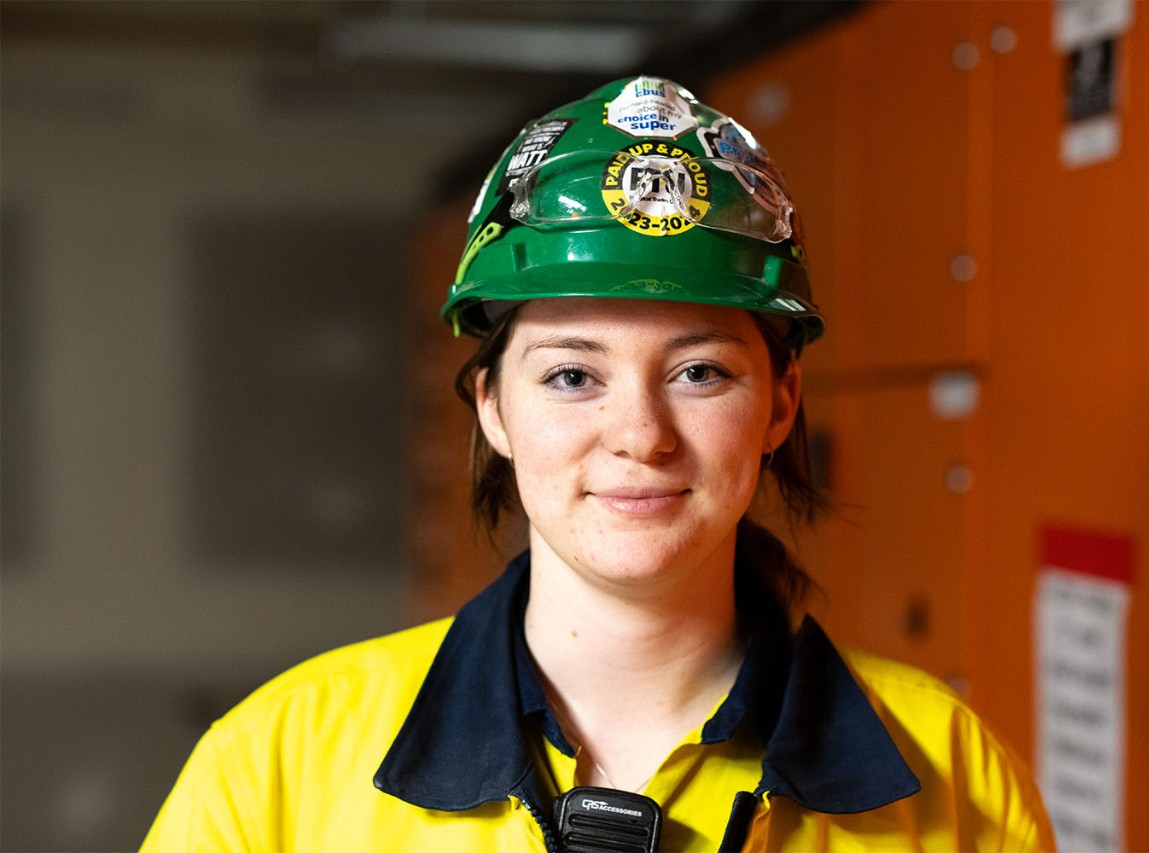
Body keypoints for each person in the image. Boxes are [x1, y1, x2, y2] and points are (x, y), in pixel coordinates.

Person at [142, 76, 1054, 852]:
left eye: (699, 372)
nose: (640, 434)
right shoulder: (281, 764)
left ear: (778, 404)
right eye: (574, 374)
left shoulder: (950, 776)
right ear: (493, 407)